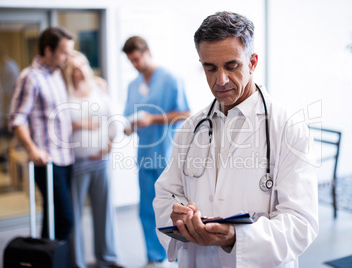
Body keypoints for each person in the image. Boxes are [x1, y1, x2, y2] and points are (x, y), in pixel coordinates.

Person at [153, 11, 318, 267]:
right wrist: (177, 214)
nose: (221, 80)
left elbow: (300, 223)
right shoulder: (191, 128)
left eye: (232, 66)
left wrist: (235, 238)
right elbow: (166, 195)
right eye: (210, 68)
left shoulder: (287, 128)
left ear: (252, 62)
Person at [122, 36, 191, 266]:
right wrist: (129, 126)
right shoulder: (133, 86)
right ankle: (154, 256)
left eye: (137, 58)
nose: (135, 64)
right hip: (145, 157)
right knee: (146, 210)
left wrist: (153, 119)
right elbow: (127, 119)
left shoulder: (170, 79)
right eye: (130, 61)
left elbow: (186, 113)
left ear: (147, 52)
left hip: (167, 155)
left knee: (174, 210)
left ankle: (179, 255)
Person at [8, 26, 75, 264]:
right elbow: (17, 119)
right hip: (46, 160)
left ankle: (47, 261)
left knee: (54, 218)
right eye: (64, 52)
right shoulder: (30, 77)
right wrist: (31, 149)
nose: (67, 58)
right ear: (48, 50)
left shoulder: (56, 74)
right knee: (65, 219)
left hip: (66, 157)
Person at [63, 50, 123, 268]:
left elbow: (112, 118)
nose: (78, 71)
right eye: (73, 68)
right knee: (75, 216)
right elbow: (58, 125)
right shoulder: (64, 92)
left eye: (81, 66)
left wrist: (108, 146)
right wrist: (79, 125)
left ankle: (107, 258)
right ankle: (76, 262)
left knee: (104, 212)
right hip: (77, 164)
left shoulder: (99, 88)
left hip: (100, 161)